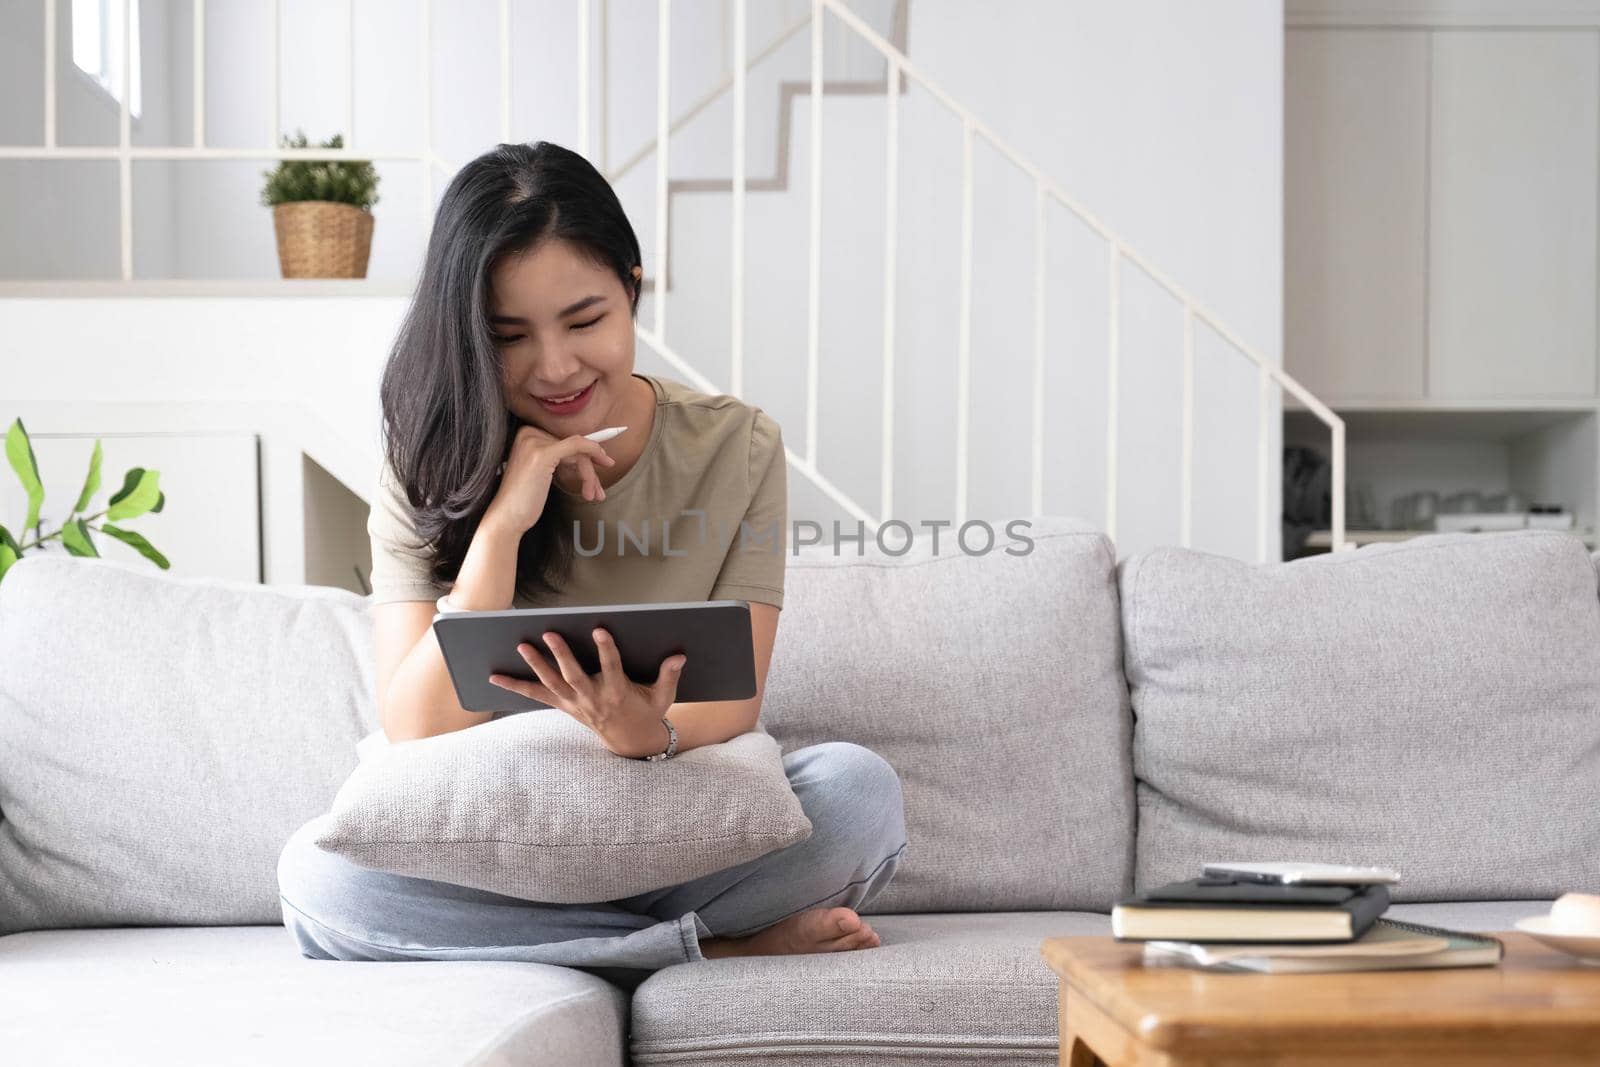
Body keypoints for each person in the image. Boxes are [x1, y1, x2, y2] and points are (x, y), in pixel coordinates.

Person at [276, 141, 907, 989]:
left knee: (859, 793)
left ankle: (578, 940)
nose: (557, 367)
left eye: (584, 321)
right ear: (467, 334)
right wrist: (501, 528)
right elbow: (414, 728)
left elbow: (736, 692)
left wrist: (650, 733)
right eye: (510, 337)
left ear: (633, 288)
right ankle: (694, 948)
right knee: (318, 881)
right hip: (495, 851)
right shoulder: (425, 464)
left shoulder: (738, 445)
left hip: (673, 818)